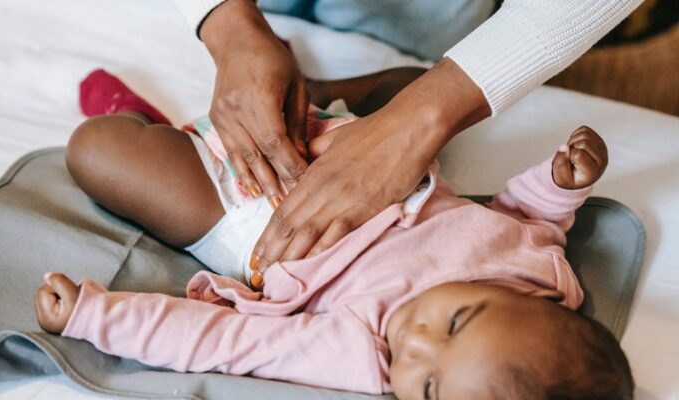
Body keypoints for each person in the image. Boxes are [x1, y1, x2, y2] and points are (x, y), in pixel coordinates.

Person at [35, 69, 632, 399]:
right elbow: (527, 221)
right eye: (457, 322)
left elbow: (227, 342)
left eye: (425, 389)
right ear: (542, 299)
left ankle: (138, 117)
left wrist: (97, 317)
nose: (416, 339)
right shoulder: (538, 270)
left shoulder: (360, 352)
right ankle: (309, 91)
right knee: (419, 79)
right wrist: (560, 187)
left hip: (253, 209)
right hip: (371, 148)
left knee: (99, 153)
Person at [172, 0, 643, 279]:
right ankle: (307, 85)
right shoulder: (532, 280)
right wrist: (229, 23)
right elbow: (529, 224)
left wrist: (419, 119)